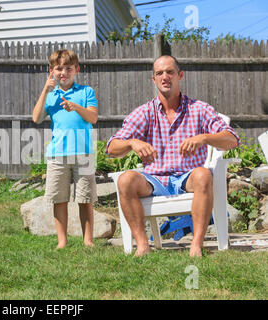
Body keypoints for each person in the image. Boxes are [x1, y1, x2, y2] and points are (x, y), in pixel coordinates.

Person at [107, 55, 239, 257]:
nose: (165, 77)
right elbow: (112, 148)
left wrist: (203, 138)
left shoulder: (199, 109)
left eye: (170, 72)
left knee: (204, 174)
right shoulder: (144, 113)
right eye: (159, 73)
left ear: (180, 75)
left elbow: (232, 140)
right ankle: (143, 245)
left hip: (187, 177)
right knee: (125, 180)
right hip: (154, 179)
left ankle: (196, 245)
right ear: (154, 79)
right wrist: (132, 142)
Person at [32, 49, 98, 249]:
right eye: (58, 69)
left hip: (84, 152)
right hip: (57, 153)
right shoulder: (51, 96)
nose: (63, 73)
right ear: (51, 71)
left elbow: (93, 118)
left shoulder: (86, 92)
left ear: (76, 70)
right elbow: (36, 118)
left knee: (85, 198)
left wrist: (75, 107)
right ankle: (62, 241)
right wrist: (45, 90)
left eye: (68, 68)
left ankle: (88, 240)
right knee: (59, 199)